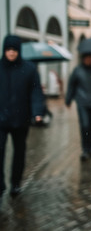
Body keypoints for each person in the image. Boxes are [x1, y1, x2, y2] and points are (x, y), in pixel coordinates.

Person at [0, 35, 46, 196]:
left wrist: (37, 112)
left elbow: (36, 92)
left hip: (21, 119)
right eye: (8, 49)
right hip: (1, 119)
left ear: (18, 51)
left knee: (19, 152)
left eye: (14, 50)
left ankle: (15, 183)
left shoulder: (29, 69)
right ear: (4, 50)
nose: (11, 53)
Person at [65, 53, 91, 161]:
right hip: (82, 102)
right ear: (83, 58)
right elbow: (71, 85)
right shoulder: (77, 70)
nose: (88, 59)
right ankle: (85, 150)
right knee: (85, 125)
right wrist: (68, 100)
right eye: (86, 57)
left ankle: (90, 146)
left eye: (90, 57)